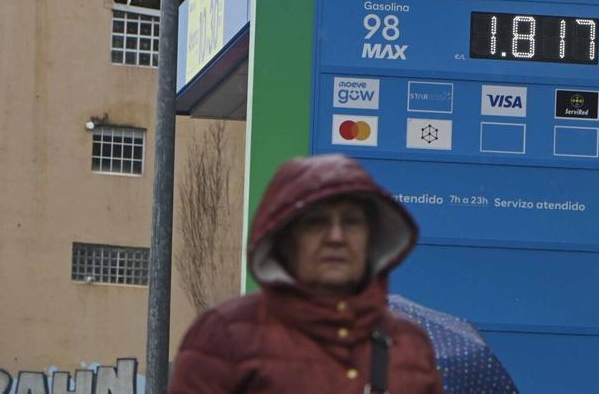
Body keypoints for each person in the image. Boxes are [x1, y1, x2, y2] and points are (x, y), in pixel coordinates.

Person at [170, 154, 443, 393]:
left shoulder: (408, 345)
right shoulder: (225, 335)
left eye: (351, 221)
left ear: (371, 239)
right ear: (285, 241)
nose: (336, 237)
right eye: (316, 222)